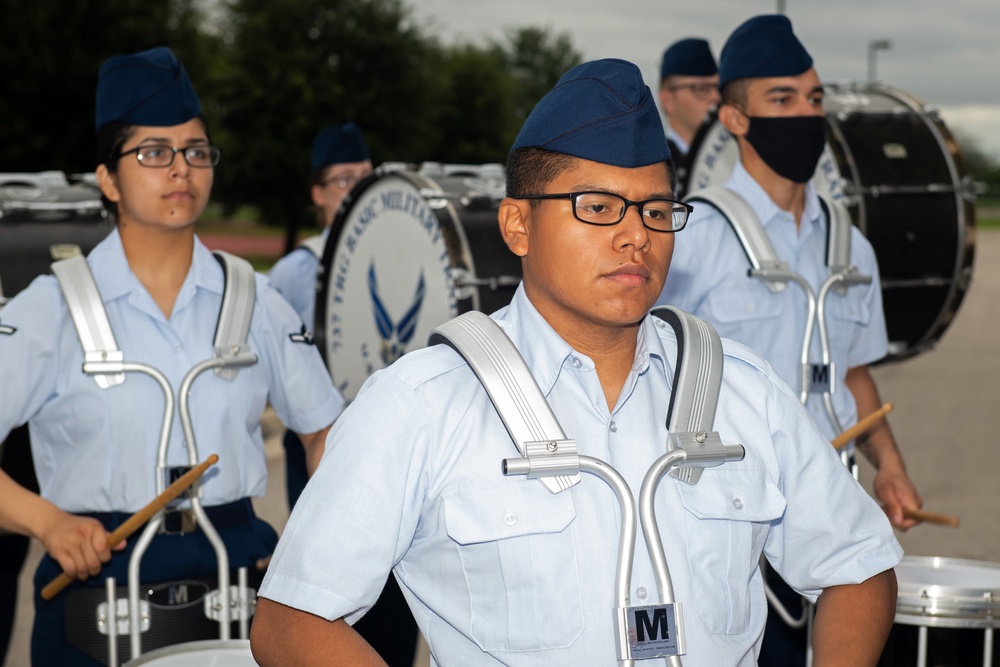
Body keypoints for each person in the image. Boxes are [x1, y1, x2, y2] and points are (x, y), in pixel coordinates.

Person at [249, 58, 902, 667]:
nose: (634, 235)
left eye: (654, 209)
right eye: (596, 207)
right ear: (517, 225)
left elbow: (861, 567)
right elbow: (290, 620)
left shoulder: (741, 390)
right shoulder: (422, 403)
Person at [0, 46, 344, 666]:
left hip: (239, 604)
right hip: (91, 613)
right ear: (108, 178)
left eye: (195, 151)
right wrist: (47, 522)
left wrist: (337, 542)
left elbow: (322, 433)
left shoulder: (256, 298)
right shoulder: (49, 308)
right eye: (154, 153)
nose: (180, 169)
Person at [654, 15, 922, 665]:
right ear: (734, 118)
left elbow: (852, 373)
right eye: (782, 99)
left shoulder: (848, 242)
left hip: (830, 510)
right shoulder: (691, 241)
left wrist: (889, 463)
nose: (806, 114)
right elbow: (647, 380)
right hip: (730, 523)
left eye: (815, 99)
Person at [268, 126, 418, 666]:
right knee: (327, 577)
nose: (355, 189)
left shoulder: (402, 258)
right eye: (342, 180)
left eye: (364, 177)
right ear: (318, 192)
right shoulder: (291, 273)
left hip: (394, 444)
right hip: (315, 438)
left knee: (398, 589)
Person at [658, 37, 720, 162]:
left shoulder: (735, 160)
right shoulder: (656, 167)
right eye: (701, 88)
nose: (716, 97)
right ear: (667, 101)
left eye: (719, 87)